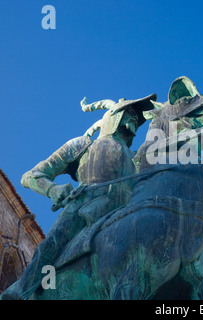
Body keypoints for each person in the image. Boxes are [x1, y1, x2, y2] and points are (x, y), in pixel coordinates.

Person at [0, 94, 156, 300]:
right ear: (114, 116)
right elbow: (31, 176)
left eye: (137, 115)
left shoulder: (137, 161)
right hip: (84, 208)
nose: (135, 118)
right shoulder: (83, 145)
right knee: (52, 243)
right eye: (130, 112)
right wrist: (53, 190)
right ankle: (23, 290)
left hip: (125, 217)